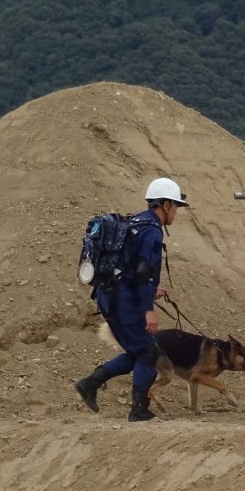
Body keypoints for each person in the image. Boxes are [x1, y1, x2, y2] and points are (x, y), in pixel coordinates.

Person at [74, 176, 188, 421]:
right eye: (176, 206)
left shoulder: (135, 223)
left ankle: (90, 384)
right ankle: (138, 410)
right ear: (166, 205)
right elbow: (143, 273)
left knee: (139, 351)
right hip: (123, 300)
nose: (176, 212)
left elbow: (130, 269)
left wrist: (151, 291)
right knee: (148, 353)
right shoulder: (152, 232)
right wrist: (148, 309)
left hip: (109, 295)